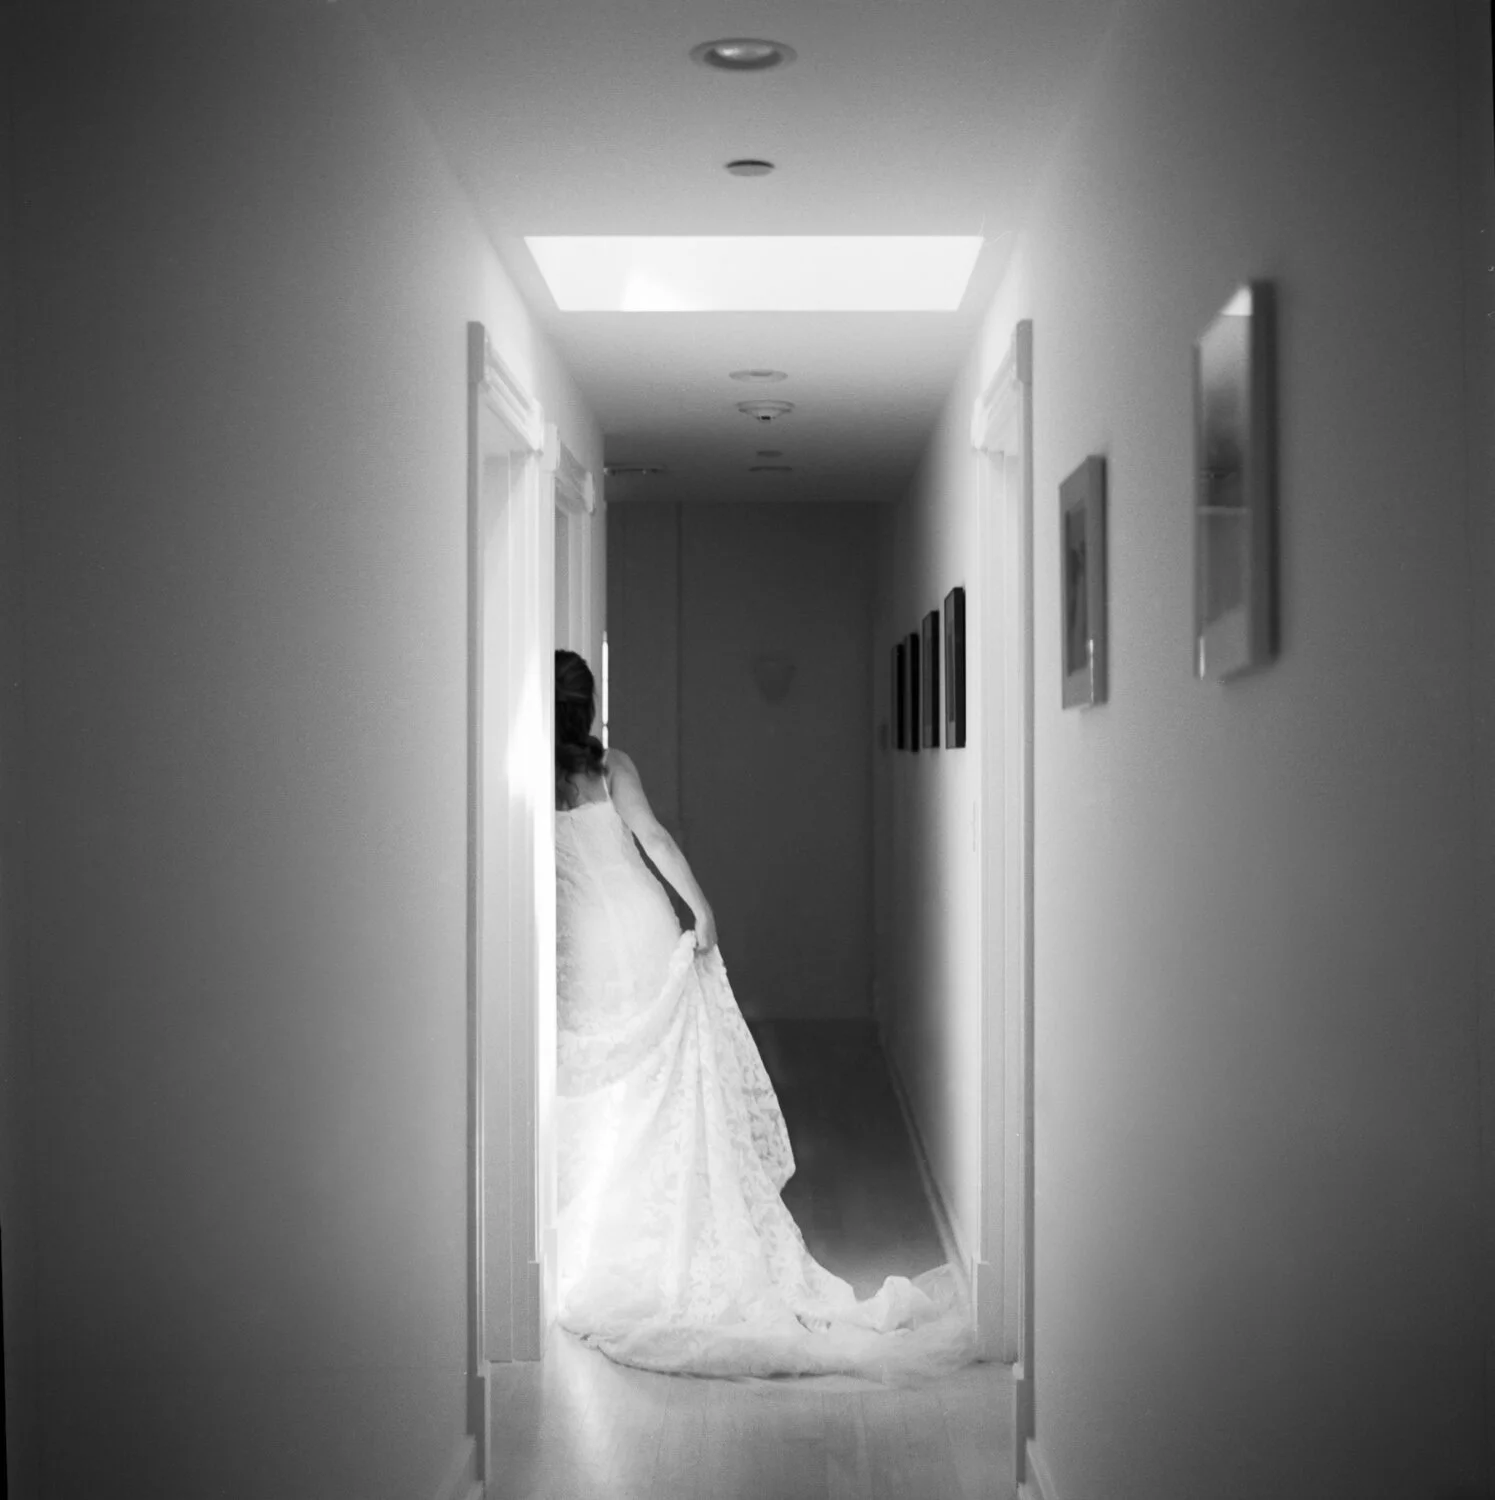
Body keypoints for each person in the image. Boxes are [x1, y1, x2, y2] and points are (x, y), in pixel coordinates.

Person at [553, 648, 973, 1381]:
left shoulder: (528, 781)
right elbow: (653, 840)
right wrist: (701, 909)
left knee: (612, 1097)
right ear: (588, 710)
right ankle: (676, 1233)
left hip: (585, 944)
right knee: (665, 1094)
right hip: (644, 929)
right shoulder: (611, 764)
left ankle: (613, 1244)